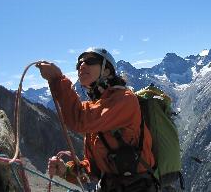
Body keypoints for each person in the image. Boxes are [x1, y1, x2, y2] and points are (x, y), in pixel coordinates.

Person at [36, 47, 157, 192]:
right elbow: (94, 168)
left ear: (106, 70)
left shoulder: (124, 99)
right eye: (79, 63)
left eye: (90, 60)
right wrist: (65, 171)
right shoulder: (95, 107)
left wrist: (57, 80)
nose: (82, 65)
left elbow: (80, 120)